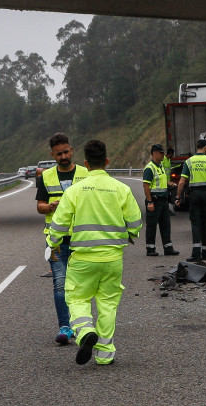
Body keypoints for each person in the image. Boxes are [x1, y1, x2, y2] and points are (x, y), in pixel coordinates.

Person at [47, 139, 141, 366]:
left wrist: (52, 242)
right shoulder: (122, 189)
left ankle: (84, 331)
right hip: (112, 259)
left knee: (77, 298)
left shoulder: (74, 191)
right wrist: (130, 235)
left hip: (82, 259)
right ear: (107, 162)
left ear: (86, 164)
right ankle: (105, 354)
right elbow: (135, 223)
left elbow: (59, 225)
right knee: (108, 304)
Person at [36, 132, 89, 345]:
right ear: (53, 155)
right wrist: (49, 206)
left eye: (66, 152)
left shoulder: (85, 174)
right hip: (56, 241)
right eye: (59, 154)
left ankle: (82, 324)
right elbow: (39, 206)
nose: (63, 156)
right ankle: (65, 327)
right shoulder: (46, 177)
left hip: (82, 239)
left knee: (82, 285)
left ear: (72, 150)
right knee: (60, 284)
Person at [142, 144, 179, 256]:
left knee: (166, 225)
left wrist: (169, 183)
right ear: (154, 153)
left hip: (163, 200)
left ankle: (168, 248)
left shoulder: (161, 166)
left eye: (163, 152)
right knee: (152, 226)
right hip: (155, 200)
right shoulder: (149, 168)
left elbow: (161, 180)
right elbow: (146, 186)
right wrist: (149, 202)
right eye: (161, 152)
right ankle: (150, 249)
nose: (163, 154)